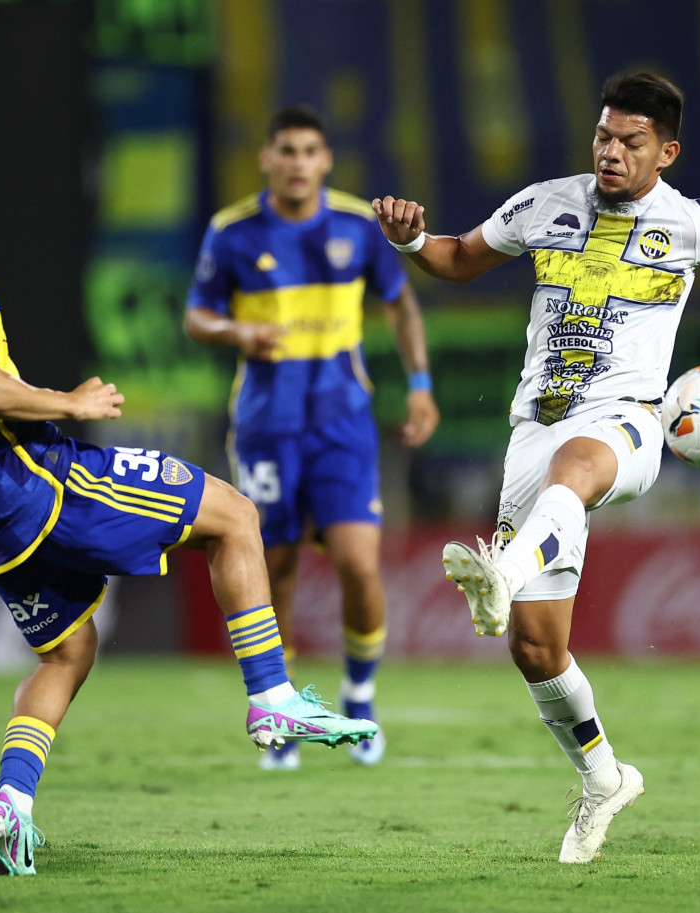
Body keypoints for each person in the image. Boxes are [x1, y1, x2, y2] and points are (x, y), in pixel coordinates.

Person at [0, 127, 377, 877]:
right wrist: (72, 401)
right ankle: (272, 697)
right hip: (34, 477)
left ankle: (12, 804)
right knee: (233, 516)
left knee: (68, 649)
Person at [373, 72, 700, 863]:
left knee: (576, 472)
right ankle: (605, 776)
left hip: (628, 423)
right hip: (533, 429)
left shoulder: (691, 223)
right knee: (536, 650)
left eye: (632, 142)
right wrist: (411, 237)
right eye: (603, 137)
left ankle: (501, 570)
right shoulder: (545, 203)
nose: (612, 153)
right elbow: (456, 259)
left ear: (668, 151)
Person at [185, 105, 440, 770]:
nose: (298, 162)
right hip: (266, 425)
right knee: (276, 570)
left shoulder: (357, 225)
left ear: (325, 161)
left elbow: (400, 303)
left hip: (342, 423)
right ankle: (285, 711)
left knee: (359, 562)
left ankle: (359, 698)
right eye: (286, 151)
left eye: (309, 151)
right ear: (267, 159)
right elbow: (197, 316)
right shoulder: (232, 232)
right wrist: (237, 333)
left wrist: (419, 383)